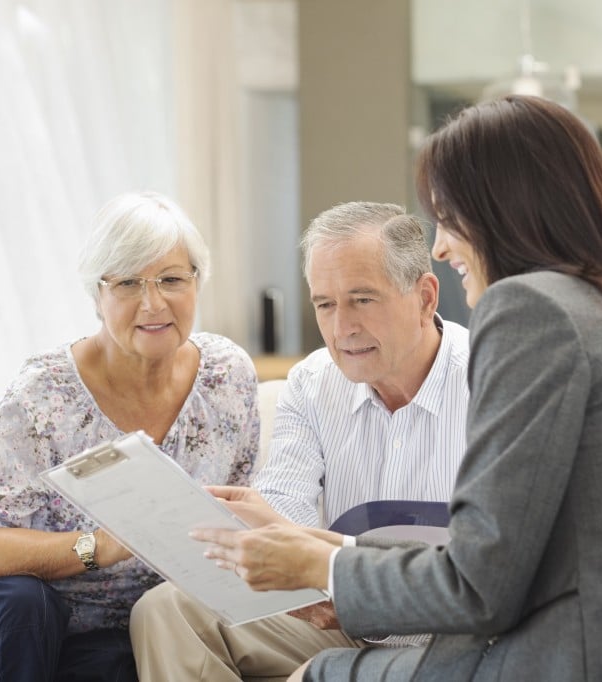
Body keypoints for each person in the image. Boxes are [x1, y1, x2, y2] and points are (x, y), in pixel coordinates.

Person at [192, 95, 602, 681]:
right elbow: (515, 553)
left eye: (447, 216)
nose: (439, 244)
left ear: (503, 208)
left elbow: (481, 585)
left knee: (320, 673)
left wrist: (324, 566)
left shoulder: (533, 312)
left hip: (561, 660)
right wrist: (332, 555)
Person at [0, 190, 259, 681]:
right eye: (127, 283)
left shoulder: (226, 377)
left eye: (171, 279)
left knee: (133, 654)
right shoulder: (44, 394)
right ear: (97, 295)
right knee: (23, 607)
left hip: (102, 627)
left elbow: (233, 523)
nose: (153, 303)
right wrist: (97, 546)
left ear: (197, 283)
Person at [129, 202, 470, 680]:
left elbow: (488, 568)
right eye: (325, 304)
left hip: (457, 632)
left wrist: (333, 568)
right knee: (167, 608)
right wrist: (266, 535)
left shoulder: (492, 380)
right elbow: (285, 512)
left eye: (362, 300)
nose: (340, 328)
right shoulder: (312, 383)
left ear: (425, 297)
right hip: (346, 619)